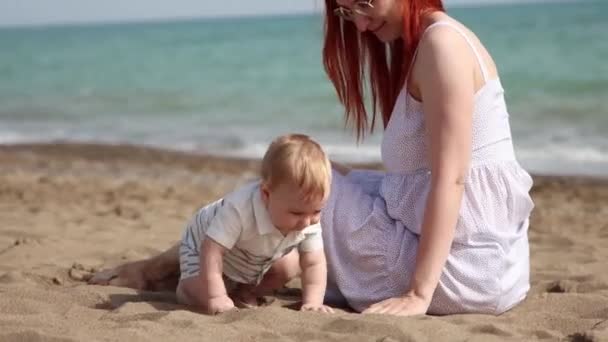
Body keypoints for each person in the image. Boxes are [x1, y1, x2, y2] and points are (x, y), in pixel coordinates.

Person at [90, 0, 534, 316]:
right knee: (326, 175)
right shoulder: (441, 40)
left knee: (293, 181)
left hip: (465, 271)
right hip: (490, 266)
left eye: (364, 3)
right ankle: (210, 265)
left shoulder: (442, 46)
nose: (359, 25)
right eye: (347, 11)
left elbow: (452, 180)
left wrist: (419, 294)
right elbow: (429, 179)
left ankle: (169, 266)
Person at [176, 134, 333, 315]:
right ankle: (187, 287)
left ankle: (244, 291)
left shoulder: (307, 214)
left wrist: (313, 302)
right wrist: (216, 297)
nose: (306, 222)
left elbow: (314, 262)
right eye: (296, 213)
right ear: (266, 194)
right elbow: (212, 251)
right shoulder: (239, 209)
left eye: (317, 211)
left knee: (290, 266)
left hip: (253, 257)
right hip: (202, 250)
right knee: (202, 292)